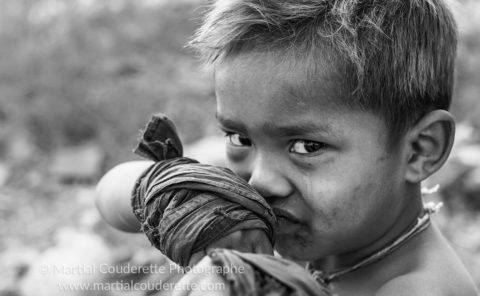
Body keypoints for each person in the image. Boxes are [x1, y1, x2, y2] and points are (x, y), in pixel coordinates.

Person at [96, 0, 479, 295]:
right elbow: (109, 195)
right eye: (240, 138)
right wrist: (180, 197)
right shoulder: (321, 225)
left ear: (420, 150)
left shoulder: (417, 289)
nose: (261, 181)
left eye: (308, 146)